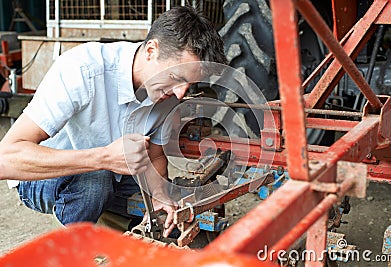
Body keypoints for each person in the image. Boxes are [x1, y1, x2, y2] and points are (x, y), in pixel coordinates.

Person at [0, 6, 226, 238]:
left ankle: (117, 229)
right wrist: (104, 158)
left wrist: (159, 195)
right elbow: (6, 159)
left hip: (112, 174)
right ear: (151, 50)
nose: (181, 94)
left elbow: (154, 155)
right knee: (95, 181)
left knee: (176, 199)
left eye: (189, 85)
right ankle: (75, 252)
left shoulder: (167, 93)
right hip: (41, 177)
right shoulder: (81, 70)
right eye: (177, 78)